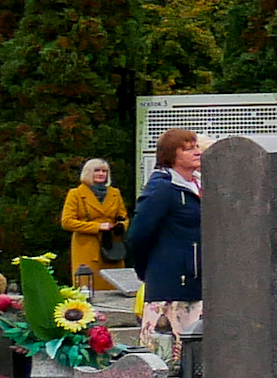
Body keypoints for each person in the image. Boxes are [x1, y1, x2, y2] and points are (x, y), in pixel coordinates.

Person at [124, 126, 205, 342]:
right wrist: (147, 270)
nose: (197, 152)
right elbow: (138, 234)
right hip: (170, 289)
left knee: (197, 361)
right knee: (169, 359)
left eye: (196, 147)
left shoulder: (200, 185)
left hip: (199, 286)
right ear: (171, 156)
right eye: (188, 149)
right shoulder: (163, 187)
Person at [60, 159, 129, 282]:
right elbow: (67, 222)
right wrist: (97, 227)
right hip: (87, 248)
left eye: (104, 171)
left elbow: (123, 217)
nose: (101, 174)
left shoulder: (115, 193)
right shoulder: (76, 194)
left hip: (111, 248)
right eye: (97, 171)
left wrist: (121, 226)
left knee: (114, 285)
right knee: (88, 284)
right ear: (88, 173)